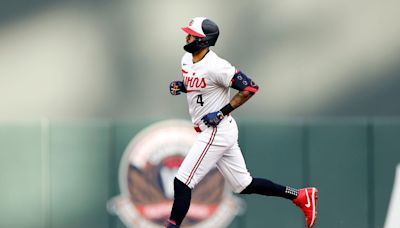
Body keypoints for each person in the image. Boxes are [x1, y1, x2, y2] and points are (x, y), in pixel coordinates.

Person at [166, 17, 318, 228]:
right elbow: (200, 84)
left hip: (215, 130)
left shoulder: (217, 66)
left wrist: (221, 112)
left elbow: (250, 87)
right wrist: (182, 86)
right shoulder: (186, 59)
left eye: (192, 34)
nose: (186, 36)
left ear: (203, 40)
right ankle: (300, 195)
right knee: (243, 184)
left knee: (182, 180)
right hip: (219, 130)